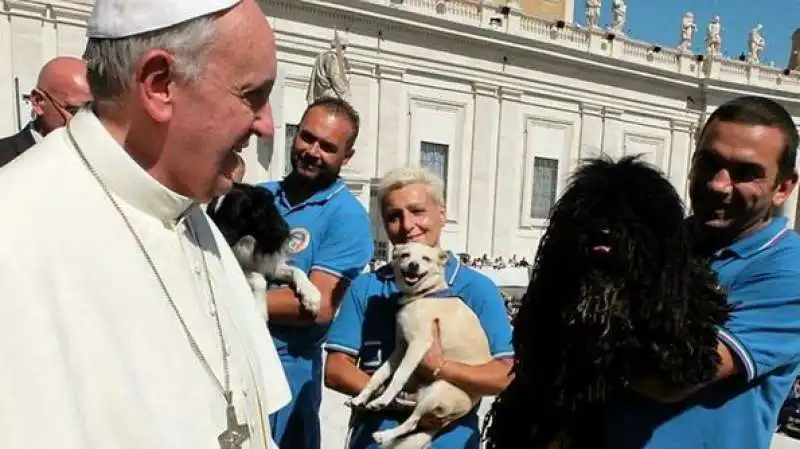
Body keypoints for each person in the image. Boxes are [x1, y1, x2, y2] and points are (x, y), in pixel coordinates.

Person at [0, 1, 291, 448]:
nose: (268, 126)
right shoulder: (14, 232)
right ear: (159, 85)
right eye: (251, 95)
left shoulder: (191, 214)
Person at [606, 96, 800, 449]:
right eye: (709, 163)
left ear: (783, 188)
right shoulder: (656, 242)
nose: (718, 184)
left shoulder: (789, 271)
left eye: (746, 173)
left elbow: (669, 376)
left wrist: (569, 336)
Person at [324, 167, 514, 449]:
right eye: (394, 217)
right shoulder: (366, 287)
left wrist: (440, 368)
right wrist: (400, 401)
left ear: (442, 213)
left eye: (417, 211)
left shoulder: (477, 288)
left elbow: (503, 376)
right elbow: (336, 370)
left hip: (450, 439)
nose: (407, 225)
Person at [258, 96, 373, 449]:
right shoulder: (260, 197)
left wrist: (230, 298)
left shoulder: (346, 216)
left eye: (327, 146)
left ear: (346, 157)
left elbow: (317, 305)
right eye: (306, 137)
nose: (312, 151)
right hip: (232, 355)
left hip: (288, 372)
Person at [0, 56, 91, 168]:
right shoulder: (5, 162)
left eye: (96, 111)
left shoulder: (100, 157)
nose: (90, 121)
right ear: (38, 101)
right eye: (76, 111)